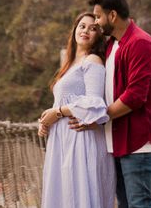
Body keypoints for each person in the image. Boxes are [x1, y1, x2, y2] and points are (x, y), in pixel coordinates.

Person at [78, 0, 151, 208]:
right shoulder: (112, 45)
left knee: (139, 204)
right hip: (115, 141)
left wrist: (96, 117)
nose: (95, 22)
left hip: (136, 141)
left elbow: (135, 96)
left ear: (112, 15)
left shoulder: (140, 43)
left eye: (98, 16)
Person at [38, 12, 116, 208]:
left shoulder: (92, 61)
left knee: (79, 197)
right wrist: (46, 122)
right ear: (74, 30)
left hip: (81, 141)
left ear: (99, 36)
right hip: (63, 142)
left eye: (93, 28)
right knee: (65, 197)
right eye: (82, 26)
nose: (86, 30)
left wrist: (57, 113)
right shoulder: (70, 64)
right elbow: (63, 103)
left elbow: (94, 103)